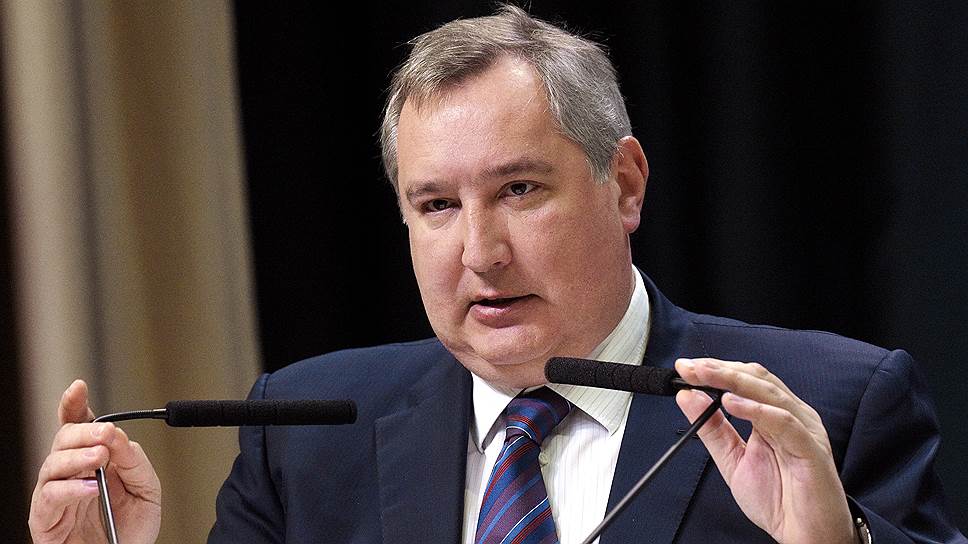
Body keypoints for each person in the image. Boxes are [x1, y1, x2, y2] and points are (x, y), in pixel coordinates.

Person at [29, 6, 965, 544]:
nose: (480, 253)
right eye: (437, 204)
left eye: (519, 190)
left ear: (625, 184)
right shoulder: (303, 442)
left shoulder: (825, 409)